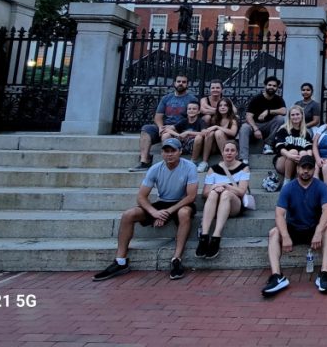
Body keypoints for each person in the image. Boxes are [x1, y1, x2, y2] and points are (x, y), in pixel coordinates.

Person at [94, 138, 198, 281]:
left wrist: (167, 213)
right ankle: (120, 261)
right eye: (166, 151)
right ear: (162, 153)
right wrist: (154, 213)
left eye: (173, 151)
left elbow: (191, 196)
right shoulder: (155, 169)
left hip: (180, 203)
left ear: (180, 151)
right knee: (128, 214)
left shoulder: (189, 167)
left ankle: (177, 259)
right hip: (162, 203)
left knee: (184, 212)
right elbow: (141, 197)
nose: (169, 154)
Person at [261, 155, 327, 297]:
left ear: (314, 170)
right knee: (273, 233)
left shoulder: (321, 187)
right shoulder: (288, 188)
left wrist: (318, 232)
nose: (305, 171)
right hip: (293, 228)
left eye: (309, 168)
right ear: (297, 168)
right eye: (303, 167)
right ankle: (277, 276)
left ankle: (324, 273)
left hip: (312, 229)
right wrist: (285, 236)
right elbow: (279, 214)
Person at [195, 142, 250, 259]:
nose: (229, 153)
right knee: (213, 192)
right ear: (222, 152)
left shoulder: (244, 168)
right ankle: (204, 236)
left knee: (225, 194)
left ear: (236, 153)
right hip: (215, 205)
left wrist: (226, 186)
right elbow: (204, 193)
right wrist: (214, 187)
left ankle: (216, 236)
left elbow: (241, 192)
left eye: (232, 150)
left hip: (234, 204)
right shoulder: (213, 169)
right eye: (227, 150)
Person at [132, 74, 197, 171]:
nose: (181, 84)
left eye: (184, 82)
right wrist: (160, 127)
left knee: (165, 135)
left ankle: (169, 163)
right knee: (146, 129)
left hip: (180, 128)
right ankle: (144, 161)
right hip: (165, 126)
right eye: (179, 81)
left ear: (187, 85)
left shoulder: (192, 99)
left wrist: (172, 128)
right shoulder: (166, 98)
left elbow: (192, 117)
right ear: (174, 83)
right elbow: (158, 117)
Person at [237, 76, 287, 165]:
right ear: (265, 86)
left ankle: (268, 145)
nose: (271, 87)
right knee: (244, 127)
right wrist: (255, 129)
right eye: (269, 85)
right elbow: (248, 116)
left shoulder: (278, 99)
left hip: (269, 127)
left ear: (277, 88)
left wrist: (268, 111)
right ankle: (244, 159)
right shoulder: (257, 98)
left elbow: (284, 111)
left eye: (274, 86)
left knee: (280, 119)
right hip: (255, 125)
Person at [272, 104, 313, 181]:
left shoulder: (306, 133)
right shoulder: (283, 130)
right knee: (293, 151)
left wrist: (306, 158)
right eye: (292, 115)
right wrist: (289, 155)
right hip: (282, 162)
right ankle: (286, 182)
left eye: (297, 114)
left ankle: (299, 182)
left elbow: (309, 148)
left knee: (304, 153)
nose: (295, 117)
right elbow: (279, 147)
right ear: (289, 117)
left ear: (302, 116)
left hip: (299, 164)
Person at [200, 98, 238, 172]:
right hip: (214, 146)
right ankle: (204, 162)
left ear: (229, 107)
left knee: (218, 132)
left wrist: (217, 127)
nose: (222, 107)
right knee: (210, 133)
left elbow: (233, 133)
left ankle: (226, 161)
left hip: (229, 145)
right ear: (217, 108)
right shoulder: (215, 118)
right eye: (220, 106)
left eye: (225, 105)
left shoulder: (233, 119)